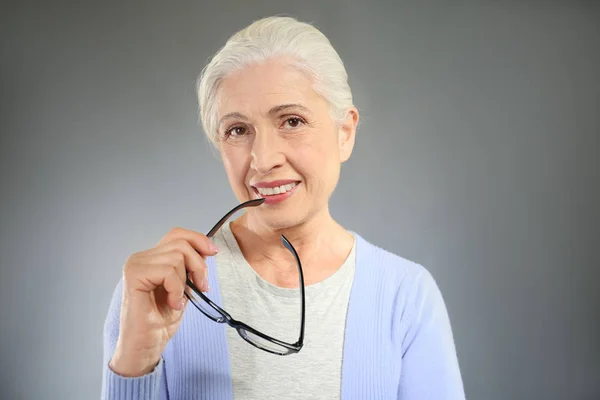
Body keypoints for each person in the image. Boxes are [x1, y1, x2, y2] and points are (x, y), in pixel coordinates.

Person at [101, 15, 465, 400]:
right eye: (237, 130)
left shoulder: (405, 296)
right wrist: (136, 363)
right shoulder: (158, 291)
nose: (263, 159)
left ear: (345, 132)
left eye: (292, 121)